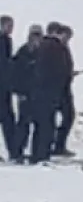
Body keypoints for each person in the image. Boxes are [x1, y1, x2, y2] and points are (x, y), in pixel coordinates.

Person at [28, 24, 73, 164]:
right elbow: (56, 70)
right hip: (49, 92)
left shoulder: (43, 46)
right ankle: (42, 154)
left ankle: (38, 153)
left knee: (41, 124)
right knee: (47, 124)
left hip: (42, 91)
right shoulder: (55, 47)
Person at [10, 25, 42, 164]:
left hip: (38, 93)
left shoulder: (43, 52)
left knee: (38, 124)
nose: (36, 38)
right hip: (25, 93)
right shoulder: (22, 52)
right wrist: (18, 91)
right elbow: (15, 73)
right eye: (34, 35)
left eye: (39, 35)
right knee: (23, 124)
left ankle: (36, 153)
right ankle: (17, 152)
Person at [52, 24, 77, 157]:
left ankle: (59, 144)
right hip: (57, 89)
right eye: (66, 36)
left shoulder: (64, 49)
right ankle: (55, 145)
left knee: (69, 116)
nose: (67, 40)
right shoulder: (55, 48)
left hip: (65, 88)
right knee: (53, 118)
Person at [0, 15, 15, 160]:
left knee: (8, 119)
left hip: (5, 85)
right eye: (9, 25)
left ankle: (13, 151)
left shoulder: (7, 41)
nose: (11, 29)